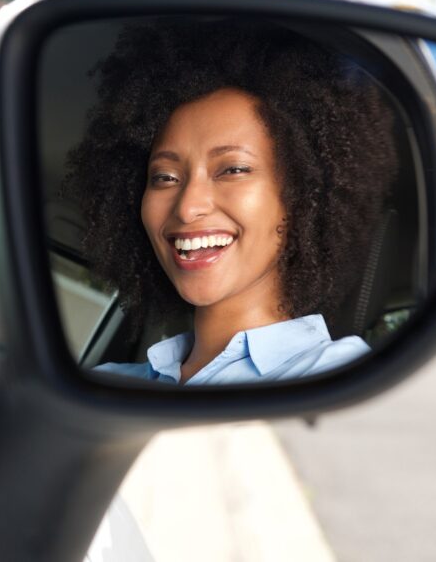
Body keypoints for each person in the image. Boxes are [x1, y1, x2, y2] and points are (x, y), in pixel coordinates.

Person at [64, 19, 397, 385]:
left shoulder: (347, 378)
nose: (188, 207)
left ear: (304, 195)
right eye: (165, 177)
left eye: (232, 169)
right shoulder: (104, 384)